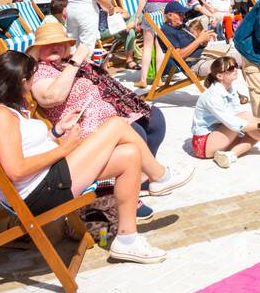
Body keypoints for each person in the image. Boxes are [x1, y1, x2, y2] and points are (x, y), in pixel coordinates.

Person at [0, 51, 177, 264]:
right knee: (116, 125)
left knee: (130, 154)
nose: (33, 84)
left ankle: (127, 239)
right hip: (41, 192)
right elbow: (16, 171)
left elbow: (23, 149)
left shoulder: (4, 111)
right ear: (22, 82)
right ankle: (160, 177)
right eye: (32, 78)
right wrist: (63, 150)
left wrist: (57, 132)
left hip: (49, 179)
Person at [26, 19, 189, 192]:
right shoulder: (39, 71)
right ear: (37, 49)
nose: (56, 46)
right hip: (82, 125)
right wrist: (76, 61)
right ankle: (136, 184)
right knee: (136, 131)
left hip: (106, 112)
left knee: (154, 118)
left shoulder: (64, 63)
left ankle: (144, 176)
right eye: (49, 44)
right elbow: (52, 97)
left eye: (60, 43)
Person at [190, 56, 260, 168]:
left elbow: (239, 113)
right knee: (249, 124)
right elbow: (234, 122)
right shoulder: (213, 96)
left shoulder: (230, 89)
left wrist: (259, 123)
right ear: (219, 76)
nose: (235, 69)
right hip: (203, 144)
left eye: (235, 66)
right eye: (230, 68)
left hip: (217, 136)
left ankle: (229, 155)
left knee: (253, 133)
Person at [158, 1, 218, 77]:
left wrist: (205, 38)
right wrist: (199, 40)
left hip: (207, 55)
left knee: (235, 53)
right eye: (180, 14)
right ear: (170, 15)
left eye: (183, 14)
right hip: (195, 63)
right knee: (229, 63)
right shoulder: (167, 31)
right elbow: (179, 56)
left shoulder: (181, 26)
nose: (184, 17)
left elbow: (196, 42)